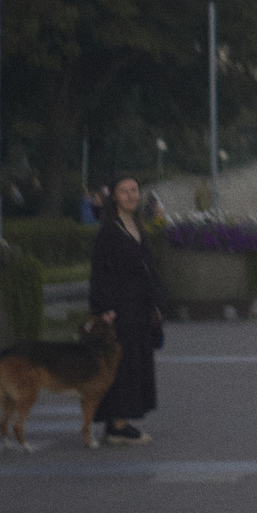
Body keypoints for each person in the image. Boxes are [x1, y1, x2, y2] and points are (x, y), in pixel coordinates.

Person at [89, 176, 164, 446]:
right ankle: (118, 426)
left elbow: (147, 268)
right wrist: (103, 308)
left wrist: (156, 302)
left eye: (134, 190)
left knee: (134, 362)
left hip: (139, 308)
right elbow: (100, 273)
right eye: (125, 191)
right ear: (115, 197)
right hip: (120, 308)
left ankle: (119, 420)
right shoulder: (110, 230)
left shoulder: (136, 225)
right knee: (123, 364)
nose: (131, 195)